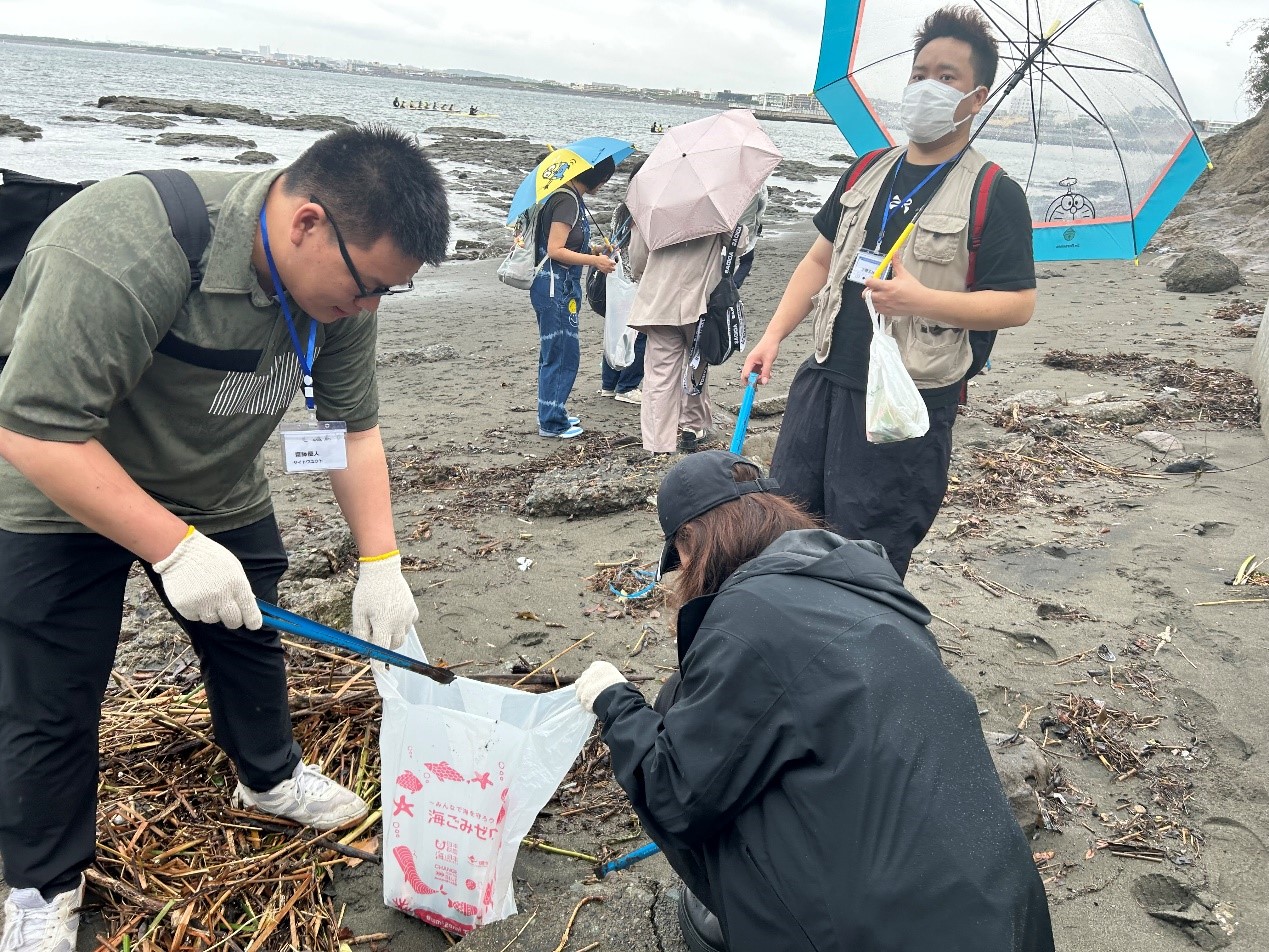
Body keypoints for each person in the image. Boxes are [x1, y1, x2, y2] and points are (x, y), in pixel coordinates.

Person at [0, 124, 450, 950]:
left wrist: (380, 562)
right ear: (307, 222)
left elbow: (351, 425)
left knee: (248, 636)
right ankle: (40, 883)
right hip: (60, 481)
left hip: (213, 483)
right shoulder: (125, 244)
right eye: (366, 286)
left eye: (392, 290)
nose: (369, 307)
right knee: (51, 694)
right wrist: (170, 547)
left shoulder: (348, 286)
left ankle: (269, 777)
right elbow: (34, 428)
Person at [574, 451, 1056, 952]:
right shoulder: (868, 586)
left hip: (876, 938)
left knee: (686, 728)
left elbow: (674, 792)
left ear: (694, 542)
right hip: (1008, 915)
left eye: (681, 558)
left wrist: (616, 702)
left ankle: (750, 914)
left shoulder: (748, 618)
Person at [741, 5, 1035, 578]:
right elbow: (818, 260)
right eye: (918, 73)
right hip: (824, 378)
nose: (927, 86)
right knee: (787, 529)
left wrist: (921, 300)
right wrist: (774, 336)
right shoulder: (866, 169)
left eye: (946, 77)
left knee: (866, 553)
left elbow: (1017, 305)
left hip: (906, 398)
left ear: (977, 97)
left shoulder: (995, 192)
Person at [627, 218, 742, 455]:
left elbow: (637, 257)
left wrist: (646, 276)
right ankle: (693, 427)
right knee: (697, 364)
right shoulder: (714, 207)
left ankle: (658, 444)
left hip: (660, 299)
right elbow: (738, 243)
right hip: (700, 300)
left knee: (659, 374)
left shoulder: (654, 205)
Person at [531, 156, 617, 438]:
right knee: (561, 354)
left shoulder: (569, 198)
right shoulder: (566, 201)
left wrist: (593, 251)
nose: (604, 186)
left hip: (561, 286)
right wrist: (596, 263)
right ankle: (552, 422)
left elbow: (568, 242)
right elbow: (555, 249)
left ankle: (553, 411)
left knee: (557, 351)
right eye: (604, 180)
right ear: (596, 178)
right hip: (555, 287)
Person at [598, 158, 646, 404]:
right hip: (636, 279)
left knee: (615, 330)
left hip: (615, 278)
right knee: (639, 334)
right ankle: (627, 386)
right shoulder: (646, 211)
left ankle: (609, 383)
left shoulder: (622, 208)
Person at [731, 182, 768, 288]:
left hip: (728, 227)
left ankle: (728, 285)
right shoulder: (758, 186)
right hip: (747, 229)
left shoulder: (727, 184)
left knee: (729, 258)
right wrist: (757, 226)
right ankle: (734, 285)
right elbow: (761, 208)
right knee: (746, 261)